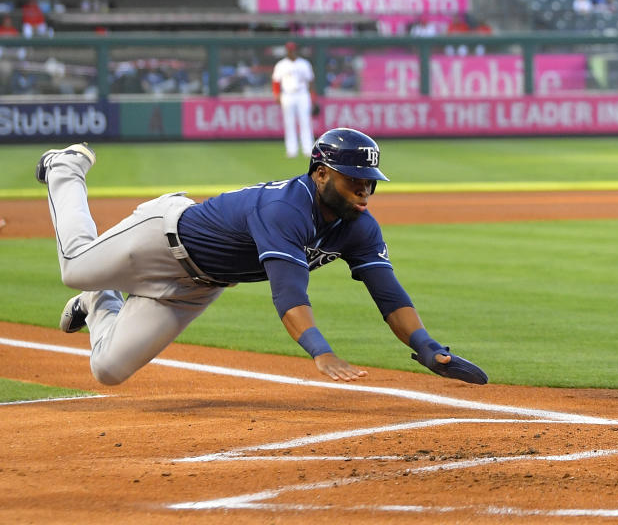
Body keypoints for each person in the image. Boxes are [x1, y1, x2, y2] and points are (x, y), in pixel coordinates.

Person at [35, 129, 487, 387]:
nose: (365, 190)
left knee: (109, 370)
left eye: (370, 181)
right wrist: (321, 352)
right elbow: (288, 292)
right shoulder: (285, 207)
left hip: (196, 287)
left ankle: (101, 301)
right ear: (322, 173)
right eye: (355, 180)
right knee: (75, 267)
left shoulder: (360, 227)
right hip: (160, 238)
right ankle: (65, 168)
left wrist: (427, 348)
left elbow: (388, 293)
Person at [272, 41, 316, 158]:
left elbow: (311, 80)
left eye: (293, 49)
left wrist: (312, 95)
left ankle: (308, 149)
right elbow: (276, 81)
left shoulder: (304, 64)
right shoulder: (281, 65)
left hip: (302, 94)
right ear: (287, 51)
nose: (291, 52)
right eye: (289, 50)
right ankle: (292, 150)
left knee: (305, 121)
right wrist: (276, 94)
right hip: (287, 94)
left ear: (296, 50)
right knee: (289, 122)